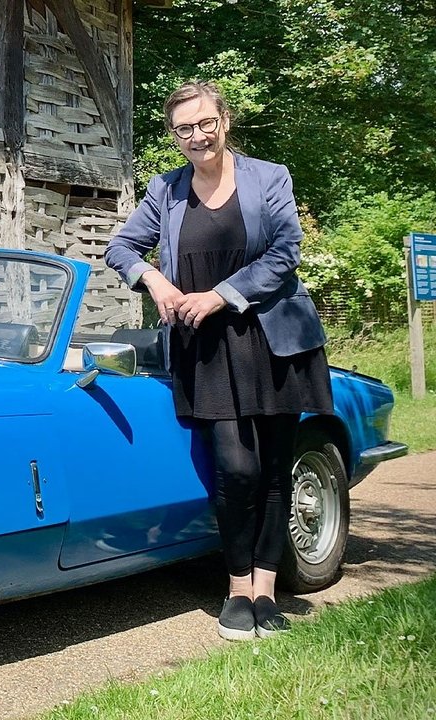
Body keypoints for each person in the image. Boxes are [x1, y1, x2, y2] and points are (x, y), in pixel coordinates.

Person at [105, 81, 332, 640]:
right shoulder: (165, 189)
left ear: (224, 121)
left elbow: (285, 253)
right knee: (237, 469)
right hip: (205, 347)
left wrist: (220, 295)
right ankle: (236, 588)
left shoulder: (269, 177)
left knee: (275, 469)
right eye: (184, 128)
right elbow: (120, 248)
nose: (197, 136)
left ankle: (265, 591)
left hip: (275, 340)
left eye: (206, 123)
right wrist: (154, 280)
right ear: (173, 135)